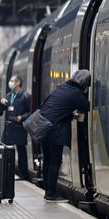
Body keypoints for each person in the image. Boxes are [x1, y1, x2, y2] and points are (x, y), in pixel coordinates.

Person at [39, 70, 90, 202]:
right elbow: (88, 106)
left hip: (43, 128)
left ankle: (47, 191)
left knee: (48, 160)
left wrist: (68, 114)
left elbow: (49, 106)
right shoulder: (77, 94)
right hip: (55, 132)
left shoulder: (62, 88)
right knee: (55, 162)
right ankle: (51, 194)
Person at [0, 75, 31, 180]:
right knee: (7, 149)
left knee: (21, 149)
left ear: (18, 83)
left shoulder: (25, 96)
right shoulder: (9, 96)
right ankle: (8, 172)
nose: (10, 82)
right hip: (9, 126)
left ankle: (24, 174)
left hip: (19, 126)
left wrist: (22, 117)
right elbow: (3, 110)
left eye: (12, 81)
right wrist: (2, 103)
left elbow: (30, 111)